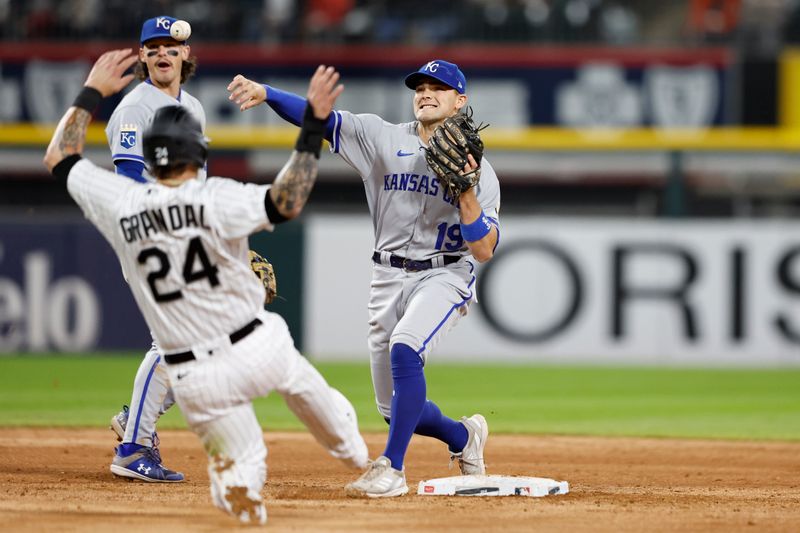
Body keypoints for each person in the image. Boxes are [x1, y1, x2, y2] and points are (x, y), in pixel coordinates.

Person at [44, 49, 368, 524]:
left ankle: (238, 492)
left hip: (194, 378)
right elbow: (288, 200)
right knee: (344, 435)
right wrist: (314, 125)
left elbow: (60, 156)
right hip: (260, 346)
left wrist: (91, 90)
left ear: (149, 157)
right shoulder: (217, 197)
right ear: (198, 150)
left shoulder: (120, 203)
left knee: (241, 468)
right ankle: (359, 455)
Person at [227, 59, 501, 497]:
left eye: (439, 87)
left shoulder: (481, 173)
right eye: (420, 87)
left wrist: (466, 191)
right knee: (394, 411)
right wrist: (268, 93)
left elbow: (484, 251)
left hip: (444, 273)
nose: (426, 93)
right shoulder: (382, 136)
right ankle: (463, 437)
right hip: (386, 273)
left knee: (406, 346)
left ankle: (391, 468)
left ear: (460, 101)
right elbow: (321, 120)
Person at [104, 16, 205, 482]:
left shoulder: (196, 109)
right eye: (153, 47)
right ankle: (133, 447)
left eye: (171, 46)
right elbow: (128, 181)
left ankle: (135, 420)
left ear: (186, 54)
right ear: (142, 57)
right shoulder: (134, 109)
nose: (163, 53)